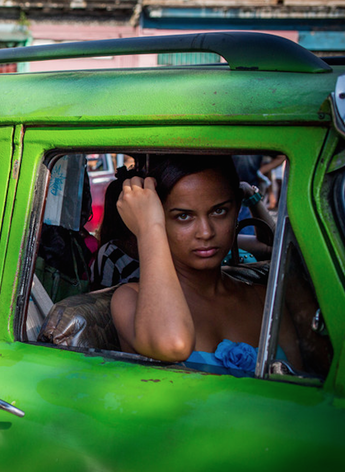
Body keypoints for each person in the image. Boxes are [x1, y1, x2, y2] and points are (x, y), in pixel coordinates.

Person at [110, 155, 301, 373]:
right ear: (158, 216)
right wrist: (148, 229)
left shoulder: (265, 299)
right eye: (183, 216)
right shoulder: (129, 300)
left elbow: (301, 388)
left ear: (237, 207)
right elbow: (173, 345)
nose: (206, 232)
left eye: (219, 211)